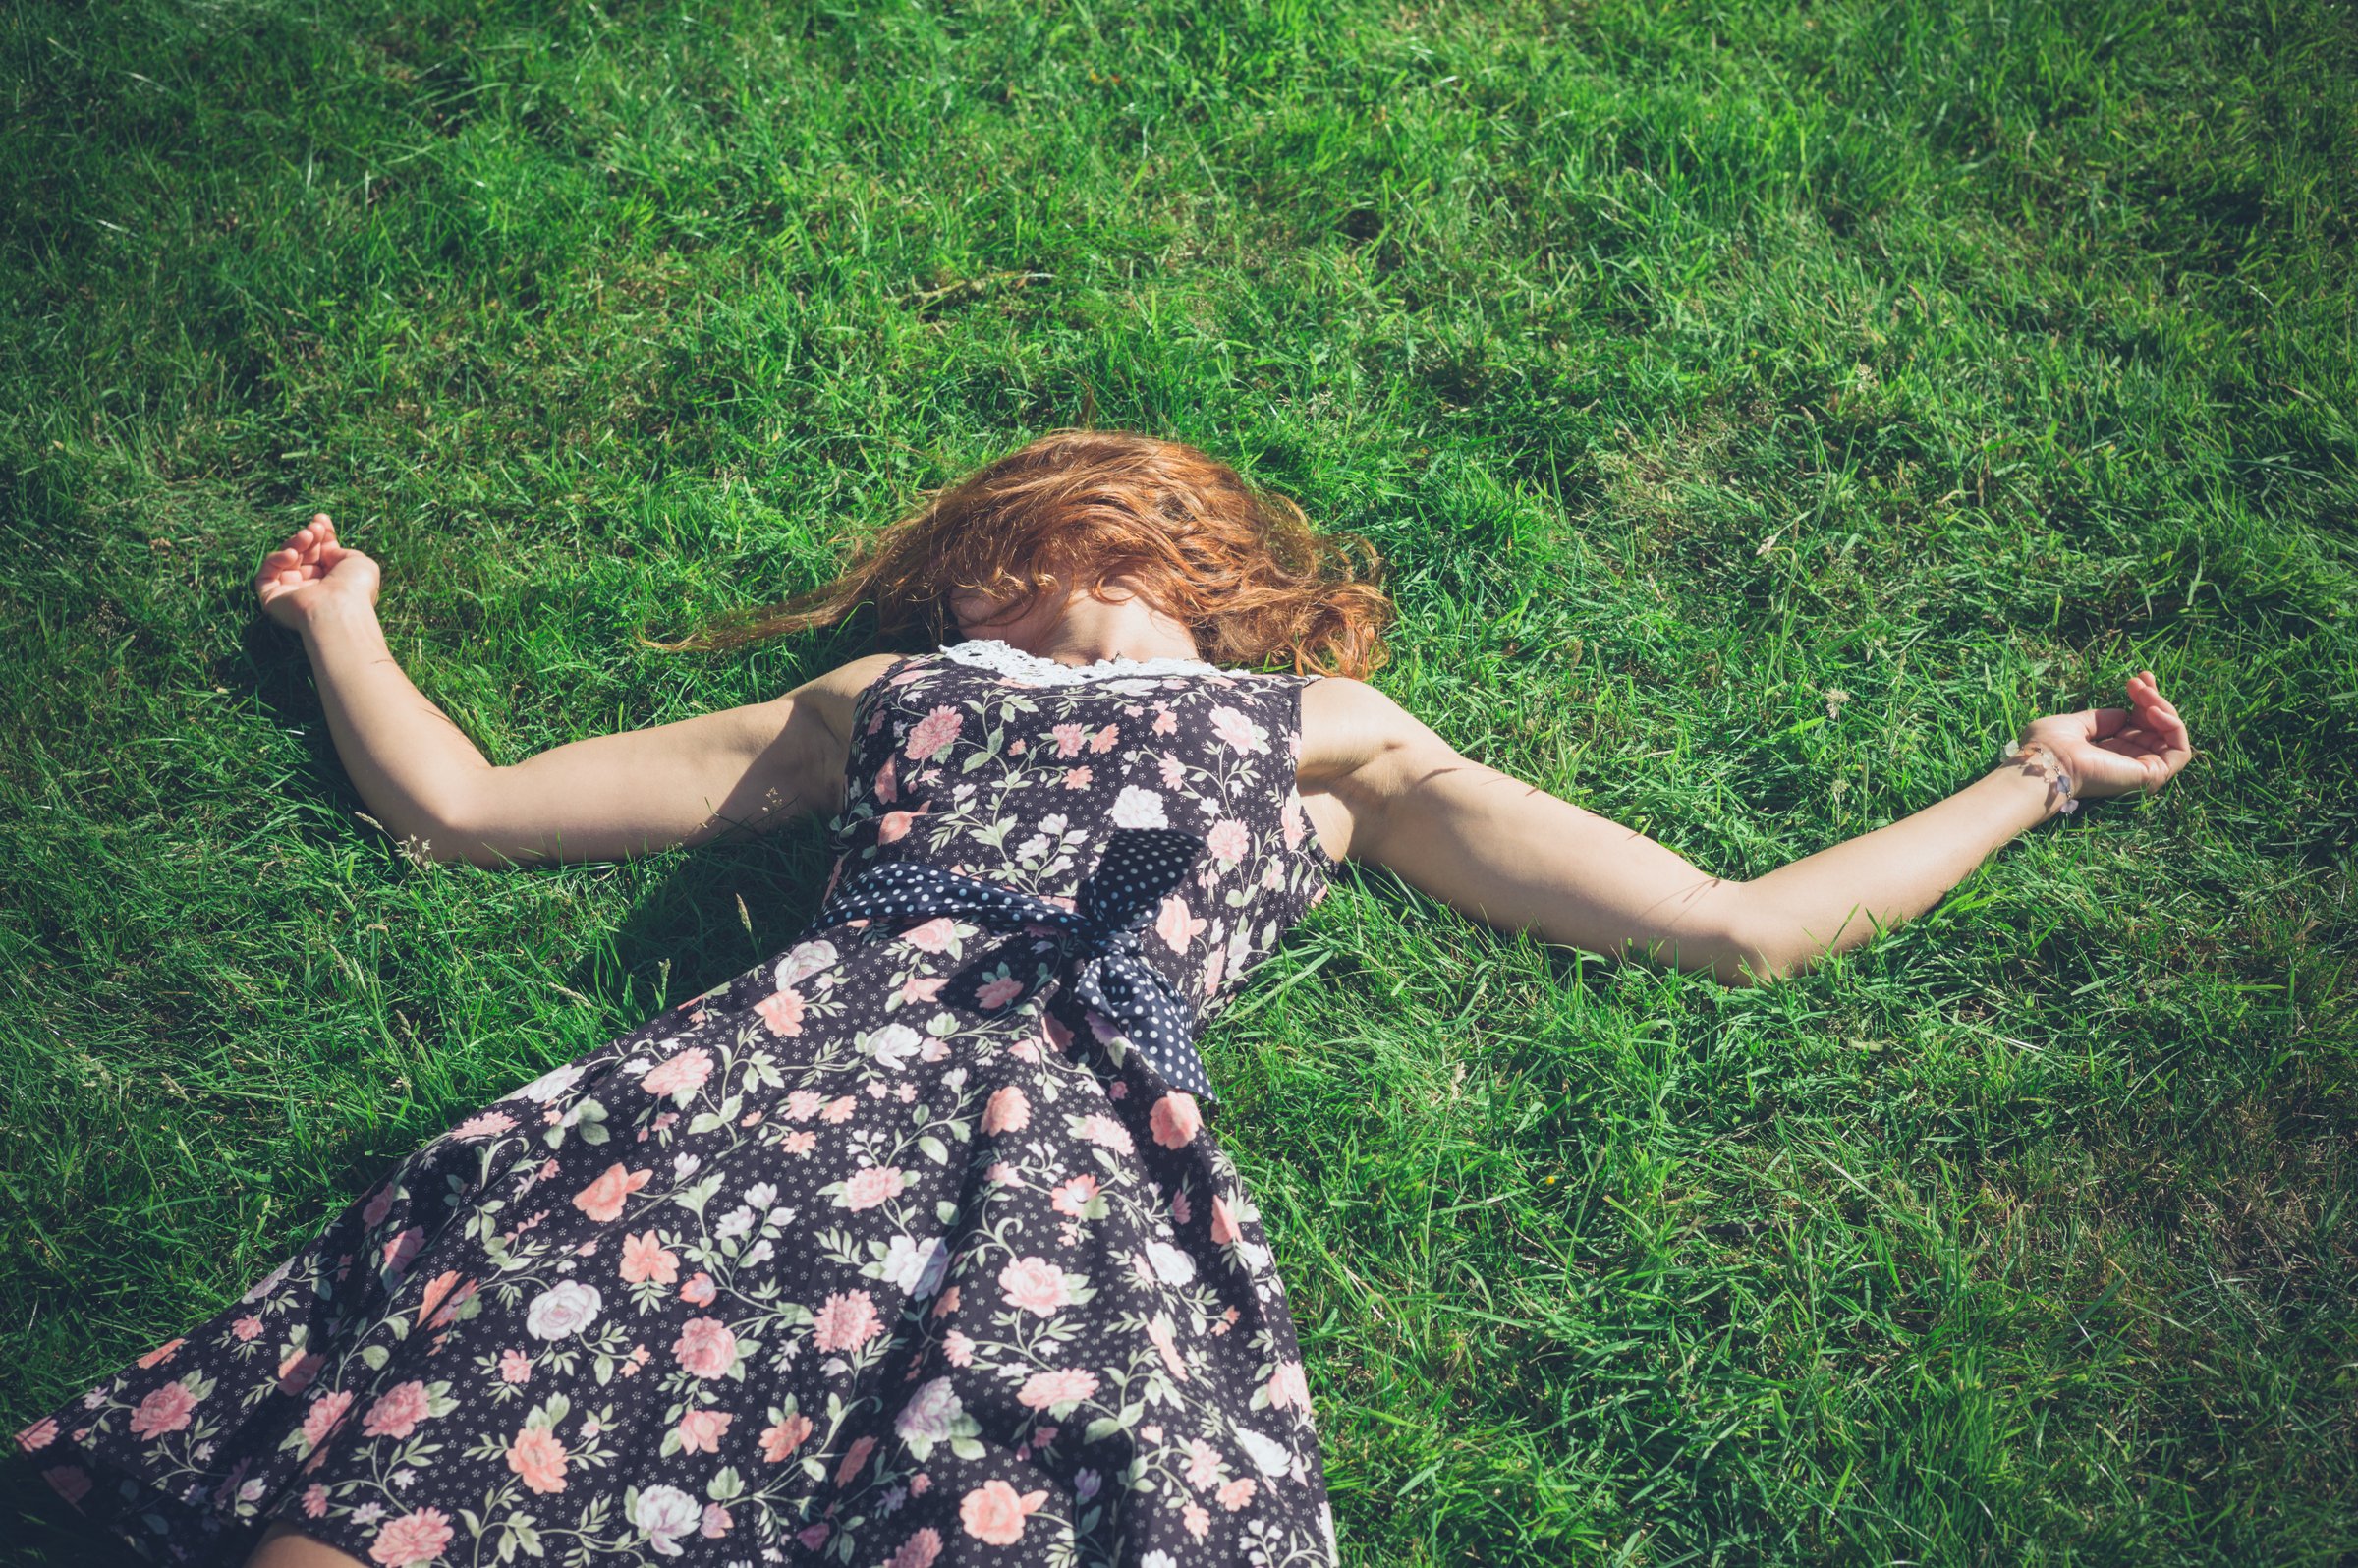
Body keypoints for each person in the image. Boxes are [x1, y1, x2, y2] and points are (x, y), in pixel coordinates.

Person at [17, 430, 2193, 1568]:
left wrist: (2035, 777)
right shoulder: (886, 697)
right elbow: (470, 811)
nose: (1004, 568)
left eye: (1045, 529)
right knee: (444, 1462)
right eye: (986, 549)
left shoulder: (1330, 734)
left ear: (1170, 547)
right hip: (754, 1104)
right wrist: (343, 624)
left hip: (1053, 1179)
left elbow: (1736, 925)